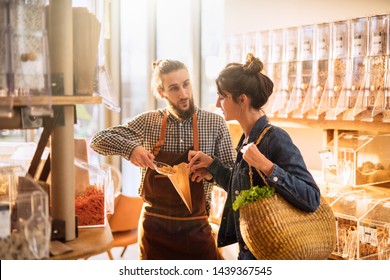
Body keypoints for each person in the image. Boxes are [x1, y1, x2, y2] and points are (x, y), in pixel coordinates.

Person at [90, 59, 235, 260]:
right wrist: (131, 148)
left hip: (197, 230)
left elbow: (234, 179)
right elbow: (97, 140)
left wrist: (212, 169)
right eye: (174, 88)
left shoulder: (215, 123)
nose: (183, 94)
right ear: (161, 92)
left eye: (186, 84)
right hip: (154, 232)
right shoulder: (148, 122)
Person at [188, 53, 321, 260]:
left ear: (242, 100)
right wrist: (212, 167)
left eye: (222, 96)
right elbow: (245, 188)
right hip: (250, 251)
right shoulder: (247, 139)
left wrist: (267, 167)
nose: (216, 103)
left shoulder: (275, 138)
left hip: (271, 255)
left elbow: (312, 198)